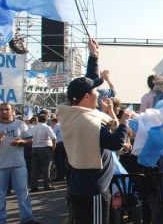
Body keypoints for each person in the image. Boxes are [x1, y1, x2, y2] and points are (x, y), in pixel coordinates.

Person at [57, 40, 133, 224]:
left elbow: (89, 78)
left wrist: (94, 55)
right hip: (93, 190)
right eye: (95, 91)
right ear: (86, 97)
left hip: (81, 185)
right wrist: (123, 123)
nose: (98, 93)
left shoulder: (72, 113)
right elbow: (115, 143)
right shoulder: (88, 121)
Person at [0, 103, 39, 224]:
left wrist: (21, 141)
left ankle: (27, 219)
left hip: (18, 164)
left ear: (12, 111)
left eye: (7, 109)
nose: (4, 111)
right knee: (0, 196)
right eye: (1, 110)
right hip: (1, 166)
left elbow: (30, 140)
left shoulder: (20, 124)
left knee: (23, 193)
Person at [29, 113, 56, 192]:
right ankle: (47, 185)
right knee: (46, 168)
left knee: (35, 169)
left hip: (35, 148)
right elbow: (54, 138)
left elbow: (30, 139)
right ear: (46, 119)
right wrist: (53, 147)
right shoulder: (47, 127)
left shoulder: (33, 128)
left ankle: (33, 186)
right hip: (45, 148)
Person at [52, 117, 66, 181]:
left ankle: (60, 177)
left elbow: (53, 135)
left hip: (59, 144)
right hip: (67, 144)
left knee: (58, 161)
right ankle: (66, 176)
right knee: (65, 161)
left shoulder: (57, 125)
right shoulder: (67, 124)